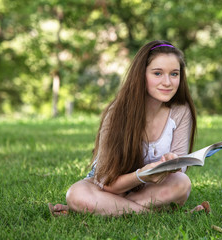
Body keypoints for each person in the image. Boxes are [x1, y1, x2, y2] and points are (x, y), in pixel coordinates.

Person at [49, 40, 209, 216]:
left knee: (182, 183)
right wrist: (141, 175)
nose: (167, 82)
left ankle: (105, 209)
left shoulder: (180, 110)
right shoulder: (117, 112)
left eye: (174, 74)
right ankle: (155, 215)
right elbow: (106, 182)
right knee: (76, 194)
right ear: (141, 75)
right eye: (157, 73)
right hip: (110, 187)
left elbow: (180, 170)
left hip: (151, 188)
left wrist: (171, 162)